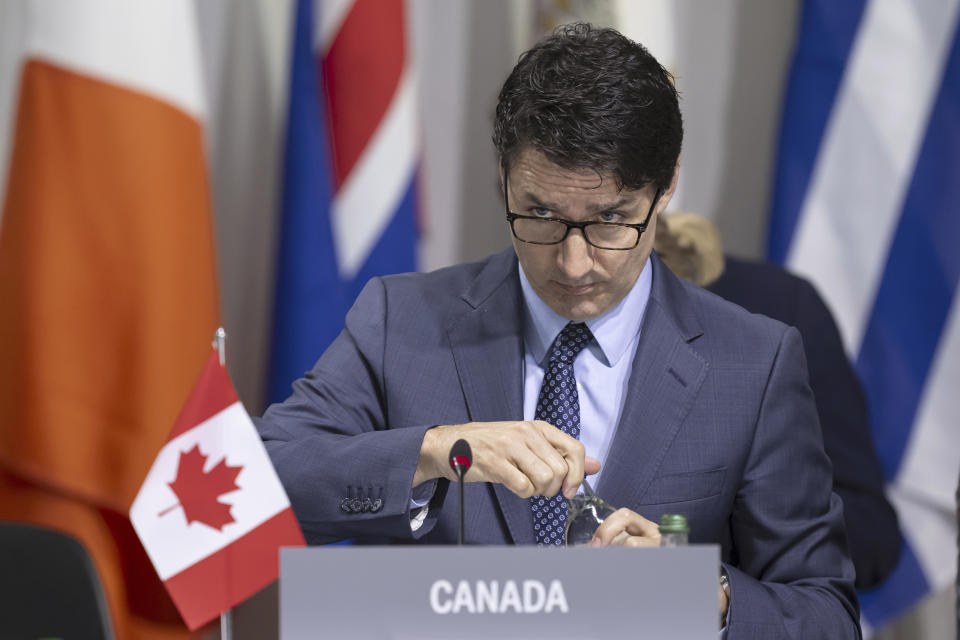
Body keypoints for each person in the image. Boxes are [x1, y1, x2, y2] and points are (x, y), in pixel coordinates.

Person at [258, 24, 860, 637]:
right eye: (541, 215)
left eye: (610, 221)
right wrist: (435, 451)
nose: (573, 265)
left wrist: (711, 596)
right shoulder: (401, 320)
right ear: (504, 178)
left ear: (667, 184)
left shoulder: (754, 364)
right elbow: (262, 479)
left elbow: (826, 615)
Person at [656, 212, 901, 589]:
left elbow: (870, 536)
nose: (576, 267)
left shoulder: (776, 310)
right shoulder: (538, 301)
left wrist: (706, 562)